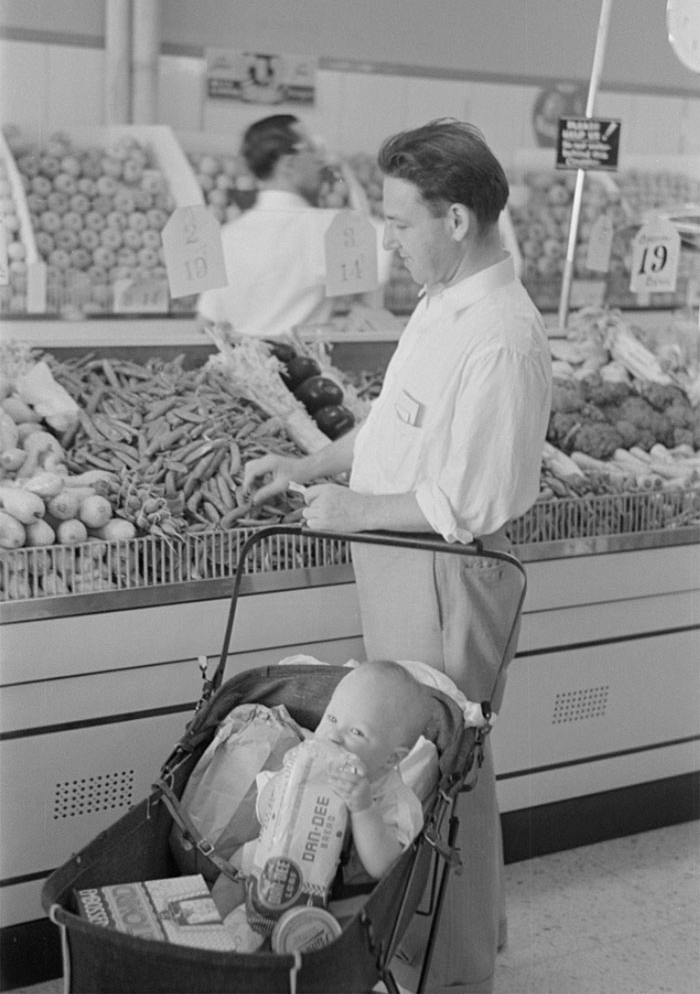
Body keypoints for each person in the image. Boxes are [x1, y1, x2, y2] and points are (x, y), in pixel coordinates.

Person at [243, 118, 553, 992]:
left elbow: (465, 502)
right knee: (418, 762)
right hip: (399, 563)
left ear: (456, 220)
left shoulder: (501, 335)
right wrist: (309, 465)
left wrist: (349, 508)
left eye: (401, 221)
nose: (388, 240)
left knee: (442, 767)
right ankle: (453, 932)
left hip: (448, 575)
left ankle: (451, 971)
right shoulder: (442, 303)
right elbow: (392, 429)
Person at [211, 661, 428, 919]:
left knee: (340, 920)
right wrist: (289, 781)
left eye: (357, 732)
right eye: (332, 718)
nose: (334, 736)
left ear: (391, 759)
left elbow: (384, 866)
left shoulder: (396, 802)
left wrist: (363, 807)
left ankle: (276, 948)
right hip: (278, 861)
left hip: (334, 894)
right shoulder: (308, 766)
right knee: (234, 869)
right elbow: (265, 813)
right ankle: (214, 930)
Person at [197, 113, 390, 335]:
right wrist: (344, 173)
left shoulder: (227, 235)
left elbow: (206, 321)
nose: (320, 159)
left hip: (245, 365)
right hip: (305, 366)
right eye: (312, 148)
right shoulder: (324, 228)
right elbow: (387, 239)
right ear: (289, 163)